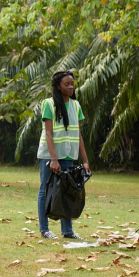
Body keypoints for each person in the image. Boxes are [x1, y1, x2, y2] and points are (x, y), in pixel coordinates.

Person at [36, 70, 90, 240]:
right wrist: (53, 159)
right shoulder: (48, 104)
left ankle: (68, 231)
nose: (71, 87)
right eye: (67, 84)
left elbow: (78, 134)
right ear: (58, 86)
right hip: (49, 156)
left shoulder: (76, 105)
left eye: (72, 84)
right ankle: (44, 230)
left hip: (68, 155)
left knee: (67, 191)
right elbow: (49, 133)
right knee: (45, 190)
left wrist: (85, 160)